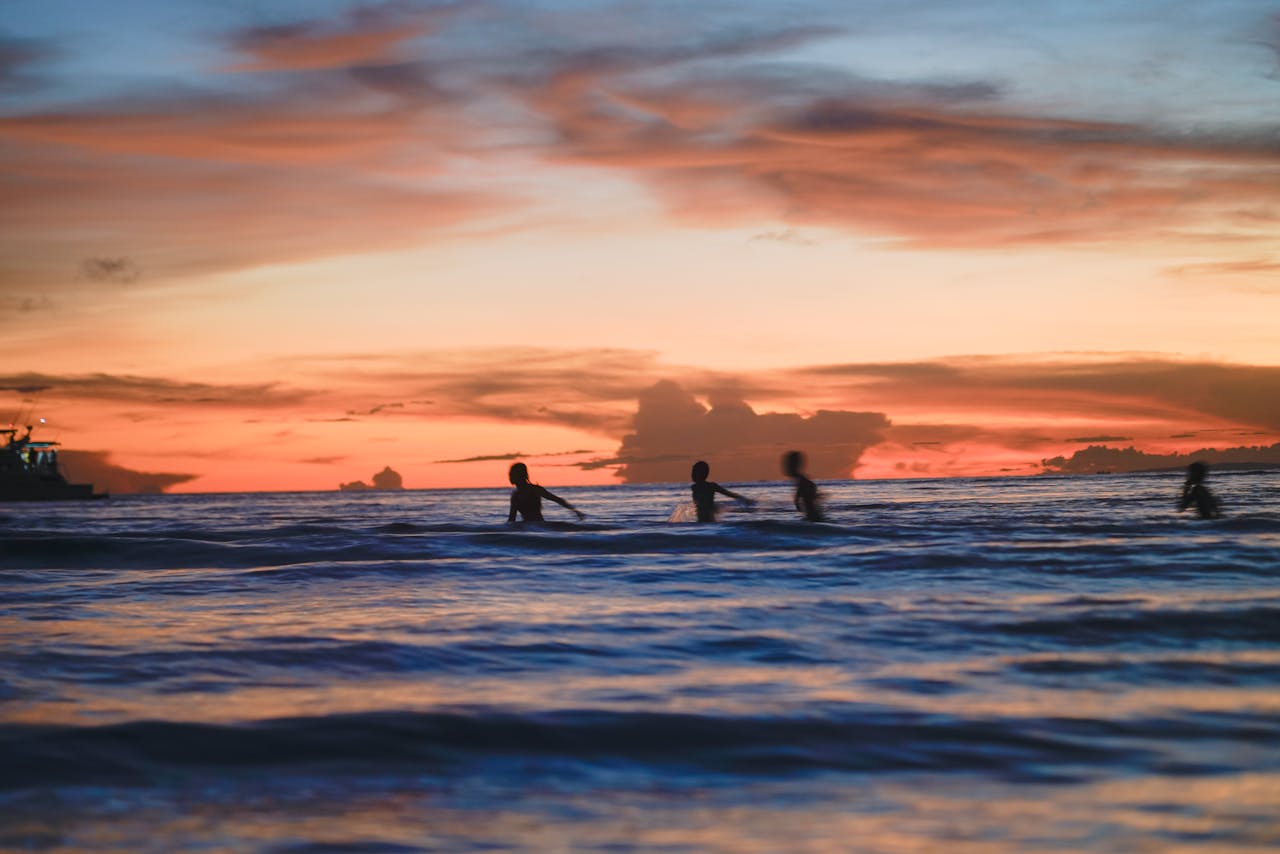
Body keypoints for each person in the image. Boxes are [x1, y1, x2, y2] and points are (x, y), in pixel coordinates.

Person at [507, 462, 585, 523]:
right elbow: (511, 519)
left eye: (512, 474)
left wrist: (575, 511)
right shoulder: (515, 496)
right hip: (527, 528)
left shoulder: (535, 489)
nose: (509, 477)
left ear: (520, 475)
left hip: (539, 526)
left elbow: (557, 499)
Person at [782, 450, 823, 522]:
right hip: (812, 515)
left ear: (794, 466)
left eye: (787, 464)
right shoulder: (800, 480)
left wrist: (797, 500)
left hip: (813, 516)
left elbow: (809, 485)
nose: (784, 468)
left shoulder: (802, 480)